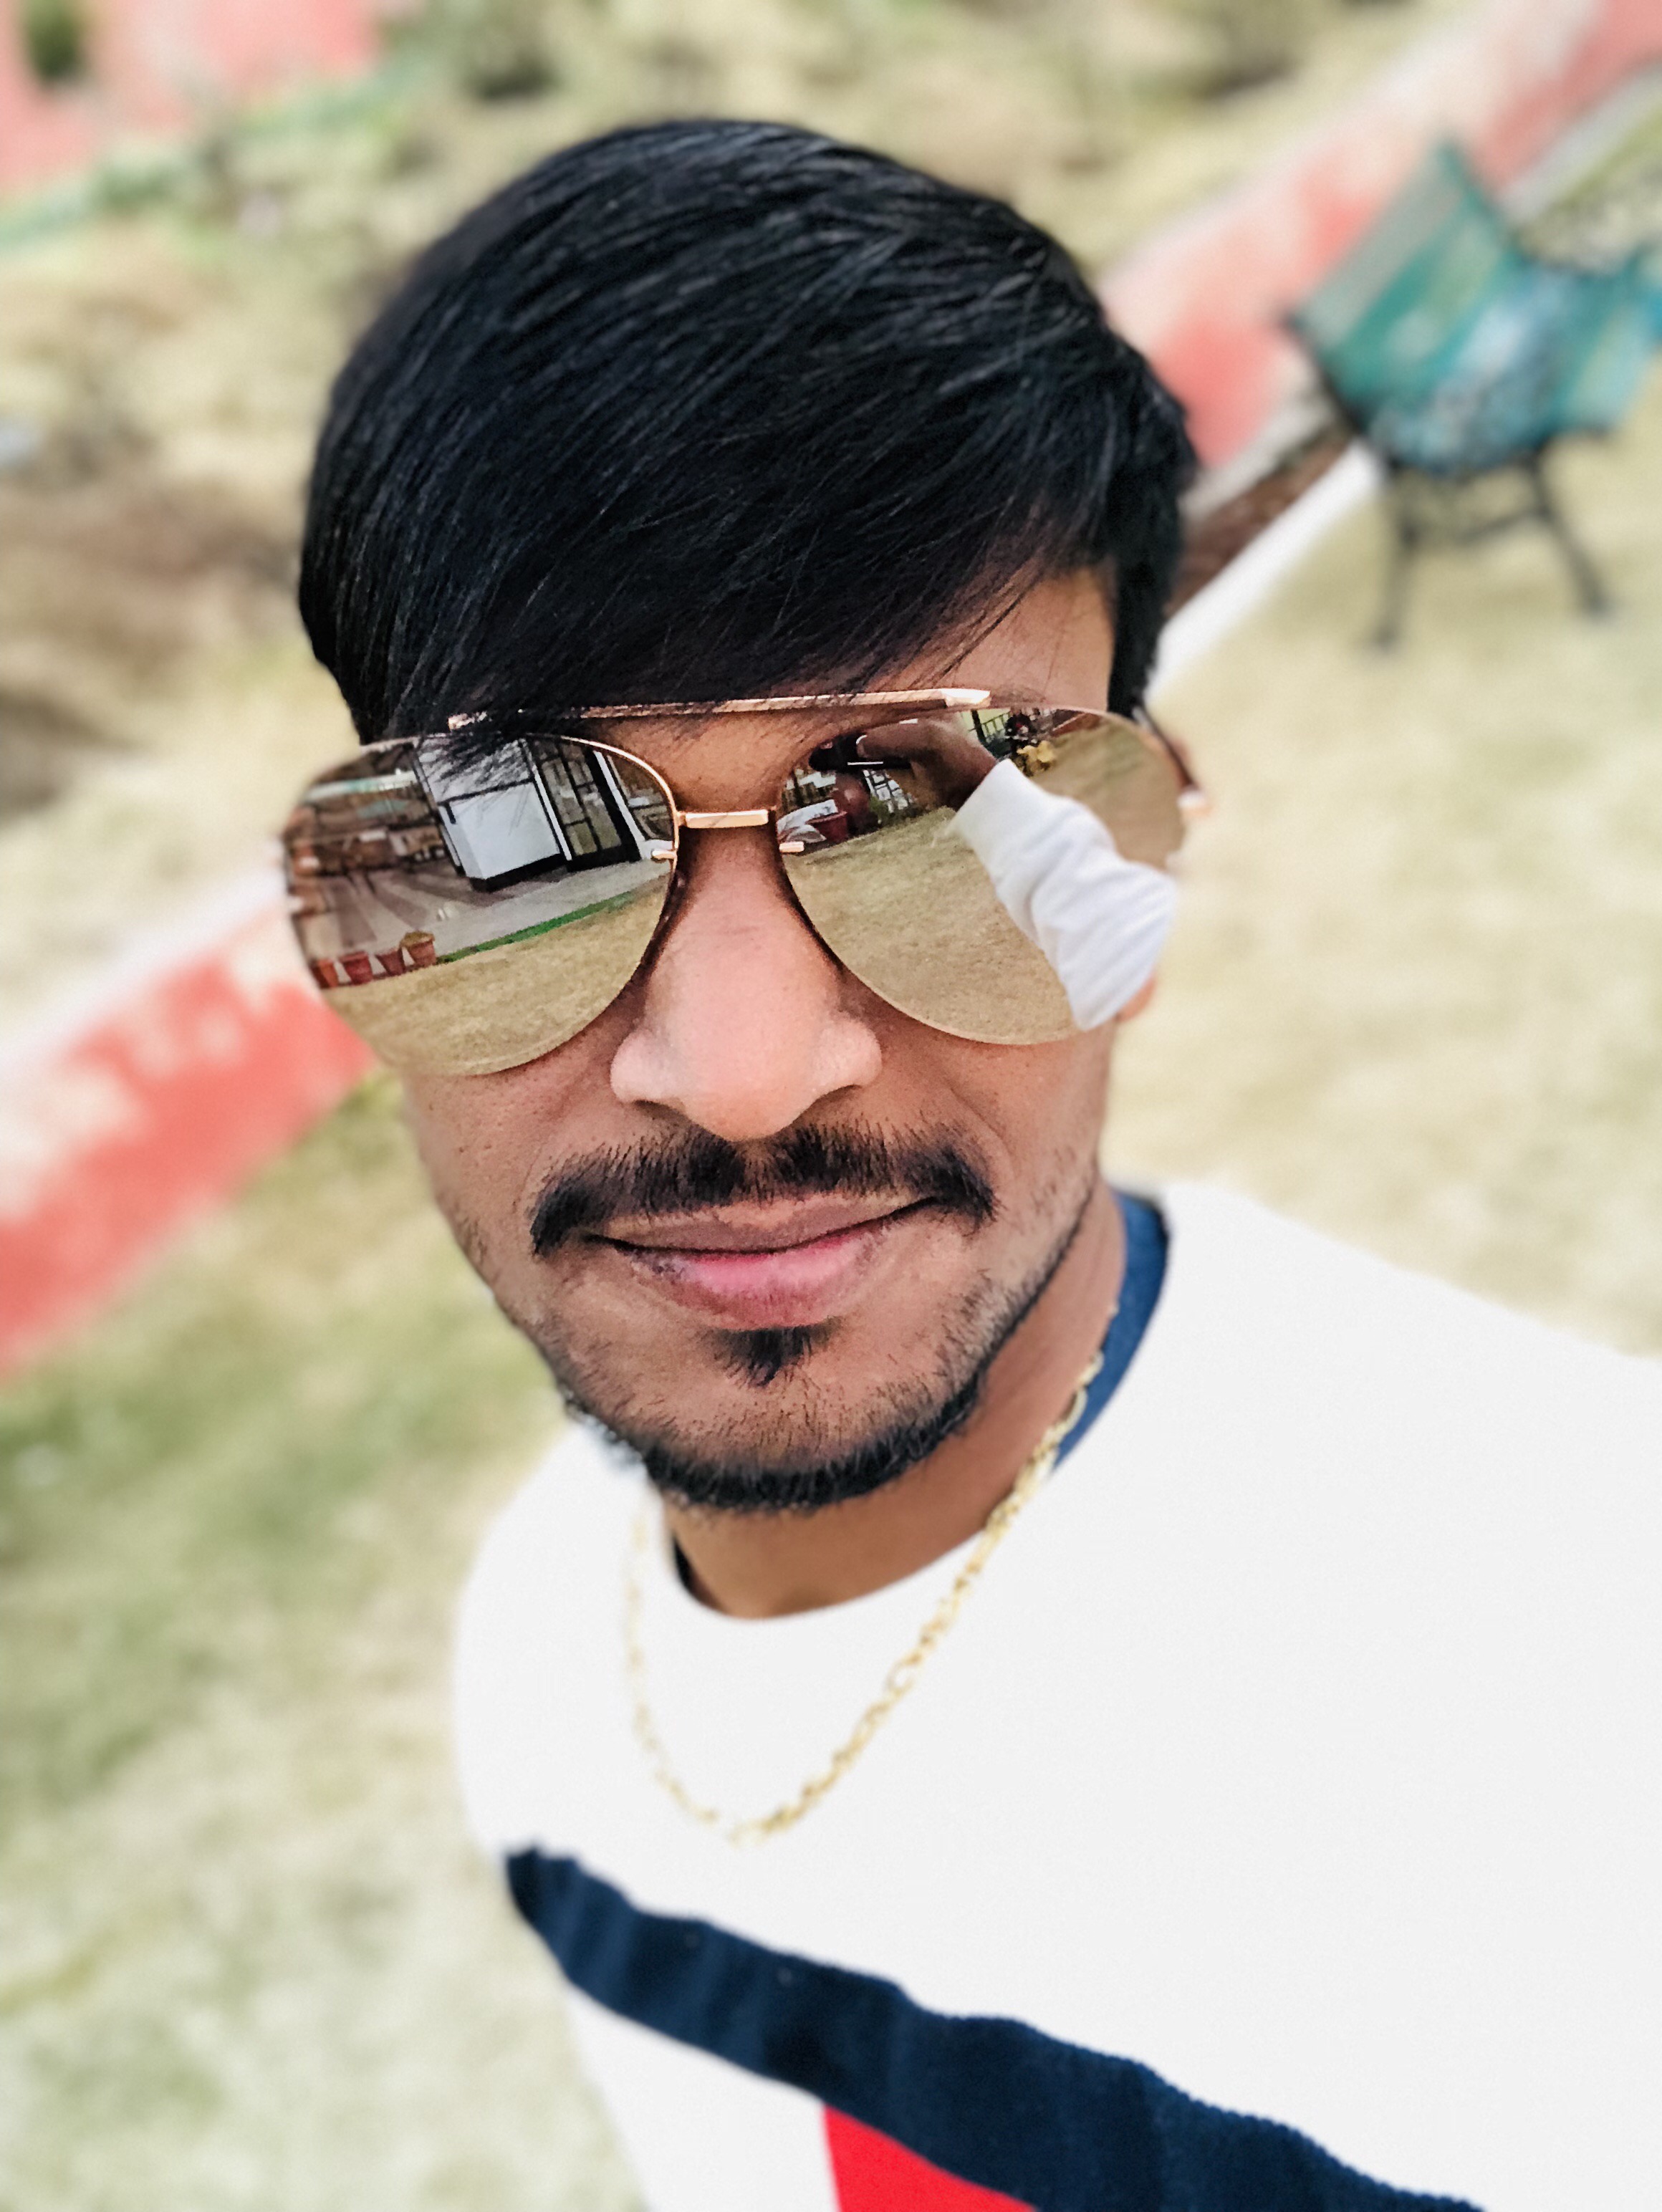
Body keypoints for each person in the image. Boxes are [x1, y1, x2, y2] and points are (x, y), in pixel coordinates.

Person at [292, 122, 1661, 2212]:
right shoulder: (544, 1649)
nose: (744, 1078)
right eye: (514, 844)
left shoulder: (1592, 1683)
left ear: (1126, 883)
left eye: (935, 813)